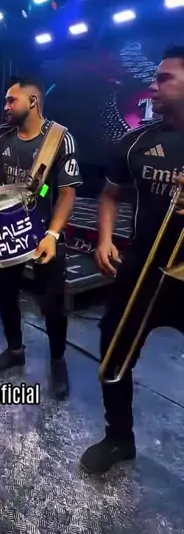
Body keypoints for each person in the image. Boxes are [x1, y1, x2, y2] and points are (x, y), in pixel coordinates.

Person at [80, 45, 184, 475]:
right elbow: (110, 195)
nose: (153, 86)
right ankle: (119, 437)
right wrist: (105, 240)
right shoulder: (136, 141)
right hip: (142, 267)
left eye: (164, 79)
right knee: (113, 351)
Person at [0, 77, 82, 398]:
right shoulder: (1, 135)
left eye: (11, 100)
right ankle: (15, 351)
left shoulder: (59, 138)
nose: (6, 106)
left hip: (44, 233)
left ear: (33, 102)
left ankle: (57, 360)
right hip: (7, 230)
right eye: (6, 101)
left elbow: (67, 193)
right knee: (5, 294)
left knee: (53, 303)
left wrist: (53, 234)